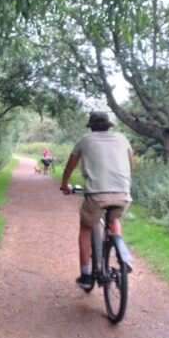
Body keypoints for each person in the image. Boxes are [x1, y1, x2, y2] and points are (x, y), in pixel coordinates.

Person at [60, 111, 134, 290]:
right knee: (113, 219)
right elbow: (131, 163)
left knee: (86, 228)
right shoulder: (122, 139)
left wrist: (64, 184)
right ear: (109, 125)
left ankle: (86, 275)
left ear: (91, 127)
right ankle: (123, 257)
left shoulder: (85, 140)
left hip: (96, 194)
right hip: (122, 192)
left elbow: (71, 164)